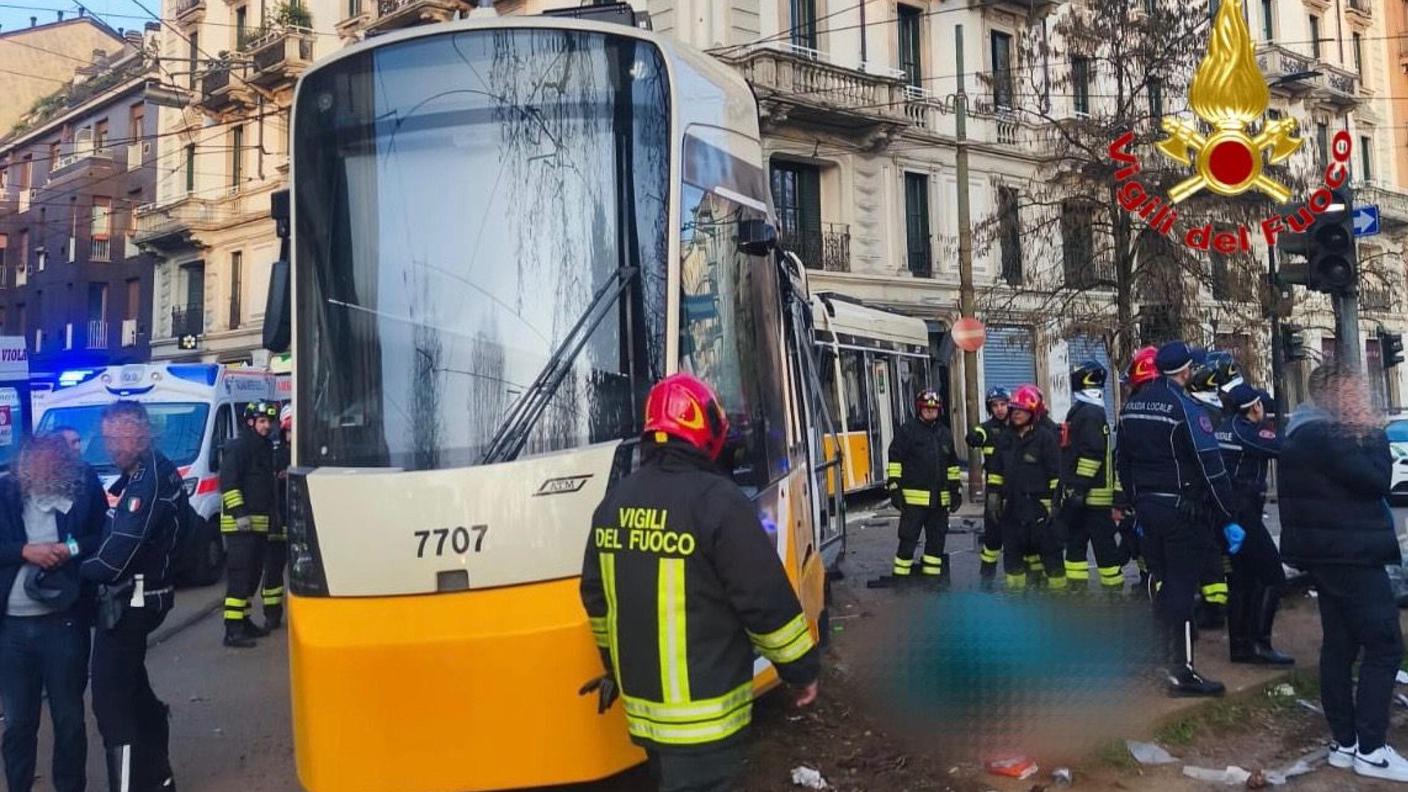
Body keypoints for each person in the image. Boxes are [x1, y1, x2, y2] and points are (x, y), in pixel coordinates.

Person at [579, 373, 819, 792]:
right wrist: (800, 671)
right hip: (706, 724)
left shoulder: (613, 505)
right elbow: (764, 602)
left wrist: (614, 668)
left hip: (645, 717)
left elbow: (597, 604)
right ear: (705, 430)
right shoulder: (718, 501)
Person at [1280, 363, 1405, 782]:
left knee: (1340, 645)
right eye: (1355, 393)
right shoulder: (1325, 435)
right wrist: (1373, 432)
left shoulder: (1305, 431)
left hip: (1331, 554)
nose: (1363, 401)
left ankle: (1344, 742)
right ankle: (1371, 748)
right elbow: (1376, 481)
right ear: (1334, 396)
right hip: (1350, 554)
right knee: (1384, 645)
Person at [1116, 341, 1242, 697]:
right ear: (1185, 371)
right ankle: (1182, 672)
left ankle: (1158, 656)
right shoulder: (1185, 408)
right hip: (1180, 513)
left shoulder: (1131, 407)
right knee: (1181, 590)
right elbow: (1210, 467)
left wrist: (1137, 504)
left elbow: (1122, 462)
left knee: (1159, 583)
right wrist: (1228, 515)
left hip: (1148, 512)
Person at [80, 400, 182, 792]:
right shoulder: (145, 471)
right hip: (143, 595)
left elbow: (113, 559)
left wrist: (66, 565)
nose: (110, 447)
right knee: (136, 694)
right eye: (107, 438)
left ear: (138, 434)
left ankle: (131, 784)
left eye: (117, 439)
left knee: (110, 706)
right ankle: (159, 778)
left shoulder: (147, 481)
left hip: (132, 599)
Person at [0, 435, 107, 792]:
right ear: (23, 465)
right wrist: (25, 551)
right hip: (12, 627)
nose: (43, 470)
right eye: (35, 464)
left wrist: (68, 548)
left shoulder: (83, 487)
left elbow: (99, 536)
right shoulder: (5, 493)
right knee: (17, 722)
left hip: (64, 622)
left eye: (52, 463)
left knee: (69, 719)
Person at [1217, 383, 1292, 666]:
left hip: (1228, 512)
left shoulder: (1223, 427)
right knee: (1273, 575)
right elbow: (1283, 447)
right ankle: (1260, 643)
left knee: (1242, 580)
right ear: (1255, 408)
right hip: (1245, 512)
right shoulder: (1246, 431)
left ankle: (1240, 647)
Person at [988, 385, 1065, 590]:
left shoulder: (1045, 438)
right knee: (1013, 561)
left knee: (1051, 559)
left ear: (1033, 412)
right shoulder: (1005, 438)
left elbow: (1055, 475)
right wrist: (994, 496)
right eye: (1014, 410)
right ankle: (1017, 604)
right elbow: (996, 470)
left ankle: (1059, 602)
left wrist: (1053, 505)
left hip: (1039, 509)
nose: (1016, 414)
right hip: (1012, 508)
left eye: (1021, 410)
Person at [1058, 360, 1123, 592]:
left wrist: (1079, 487)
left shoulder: (1090, 413)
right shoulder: (1087, 410)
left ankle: (1114, 592)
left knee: (1103, 547)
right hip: (1083, 496)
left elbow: (1092, 453)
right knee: (1075, 545)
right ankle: (1077, 589)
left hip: (1093, 498)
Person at [219, 401, 279, 647]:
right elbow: (229, 483)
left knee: (253, 576)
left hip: (259, 525)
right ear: (251, 422)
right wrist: (239, 513)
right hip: (239, 527)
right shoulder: (239, 447)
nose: (267, 426)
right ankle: (232, 630)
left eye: (269, 422)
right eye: (262, 421)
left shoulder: (265, 448)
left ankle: (244, 622)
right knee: (240, 577)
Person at [886, 389, 962, 581]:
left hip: (939, 502)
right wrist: (894, 487)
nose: (930, 412)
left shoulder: (945, 434)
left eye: (934, 409)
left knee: (936, 542)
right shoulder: (908, 431)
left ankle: (932, 580)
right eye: (927, 409)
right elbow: (895, 460)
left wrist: (956, 491)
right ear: (919, 409)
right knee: (908, 539)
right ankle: (901, 578)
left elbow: (952, 465)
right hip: (914, 501)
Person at [1185, 361, 1233, 629]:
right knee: (1217, 553)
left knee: (1207, 553)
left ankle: (1212, 610)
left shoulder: (1200, 414)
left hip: (1203, 495)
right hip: (1219, 494)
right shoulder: (1218, 411)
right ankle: (1218, 604)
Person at [1115, 346, 1159, 587]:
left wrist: (1127, 497)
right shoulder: (1178, 403)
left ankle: (1150, 585)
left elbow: (1123, 459)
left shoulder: (1131, 411)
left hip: (1143, 495)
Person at [967, 387, 1011, 582]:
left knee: (1017, 539)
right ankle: (987, 579)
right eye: (995, 405)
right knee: (993, 539)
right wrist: (973, 438)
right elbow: (976, 434)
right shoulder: (987, 428)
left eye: (1003, 404)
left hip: (1017, 490)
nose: (1000, 409)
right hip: (995, 492)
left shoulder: (1018, 425)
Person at [261, 404, 293, 631]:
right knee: (273, 572)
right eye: (288, 429)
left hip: (302, 523)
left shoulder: (308, 450)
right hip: (278, 522)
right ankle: (272, 615)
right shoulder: (275, 454)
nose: (292, 434)